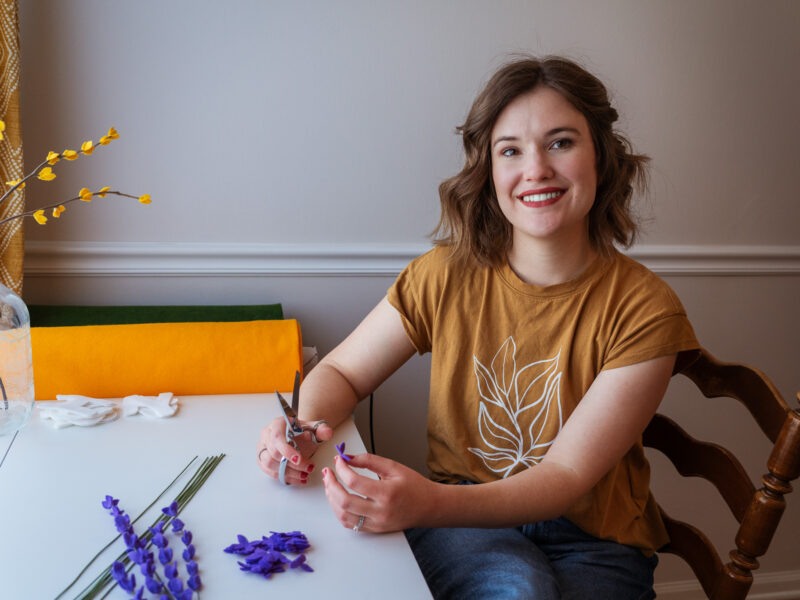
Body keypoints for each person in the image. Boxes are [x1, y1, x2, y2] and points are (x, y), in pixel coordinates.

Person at [257, 55, 699, 599]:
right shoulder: (444, 275)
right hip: (460, 516)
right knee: (519, 588)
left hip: (593, 539)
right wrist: (302, 428)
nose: (535, 169)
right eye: (510, 150)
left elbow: (562, 479)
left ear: (602, 158)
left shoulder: (647, 309)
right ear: (489, 173)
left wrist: (425, 503)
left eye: (561, 142)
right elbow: (344, 372)